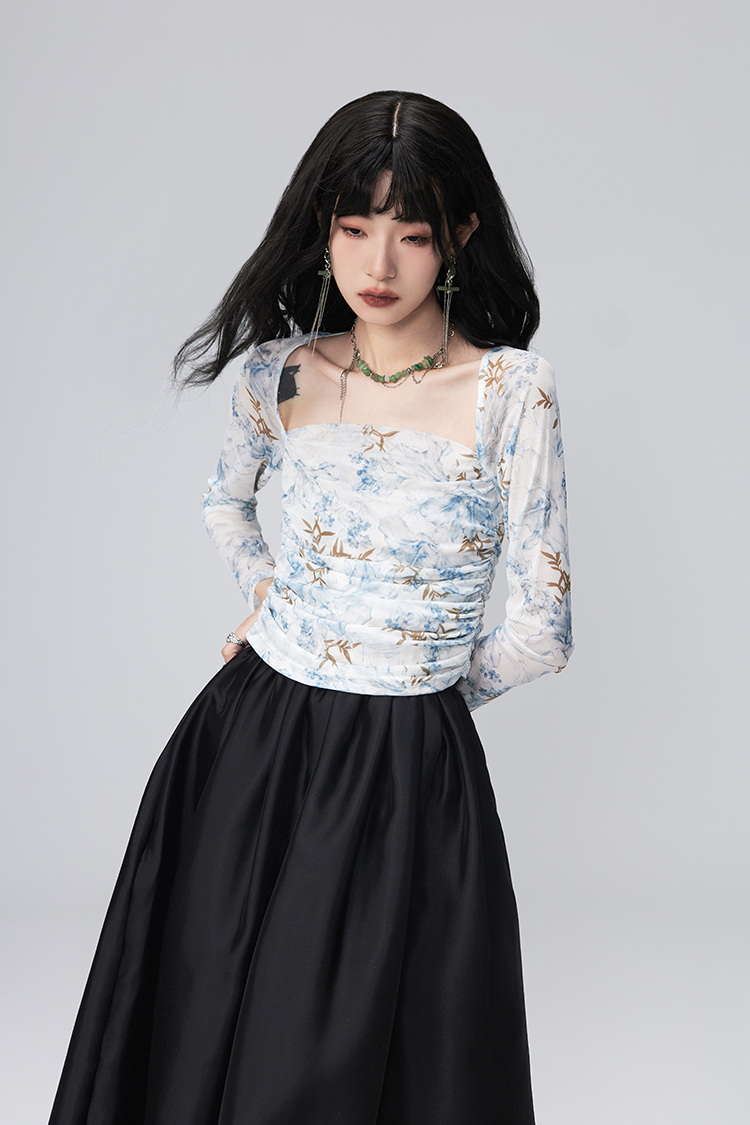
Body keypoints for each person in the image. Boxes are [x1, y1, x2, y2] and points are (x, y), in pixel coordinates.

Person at [49, 90, 573, 1125]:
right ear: (322, 227)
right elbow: (224, 503)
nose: (378, 263)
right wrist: (274, 604)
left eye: (412, 233)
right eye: (354, 227)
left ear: (461, 235)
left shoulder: (513, 393)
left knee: (354, 1053)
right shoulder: (278, 375)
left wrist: (415, 681)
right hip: (247, 742)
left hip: (404, 765)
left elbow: (543, 630)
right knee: (208, 1015)